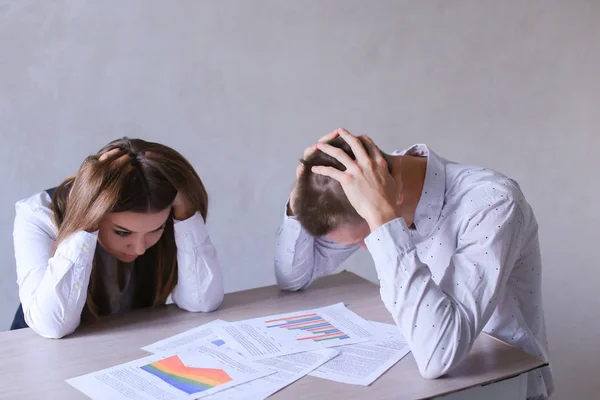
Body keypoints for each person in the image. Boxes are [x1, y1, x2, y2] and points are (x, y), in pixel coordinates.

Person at [274, 128, 553, 400]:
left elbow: (439, 355)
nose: (368, 247)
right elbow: (293, 278)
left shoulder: (492, 204)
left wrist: (384, 222)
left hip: (503, 385)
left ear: (395, 198)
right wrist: (296, 203)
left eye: (368, 238)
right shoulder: (364, 185)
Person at [11, 138, 224, 339]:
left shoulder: (172, 213)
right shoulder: (37, 214)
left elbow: (201, 302)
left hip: (119, 353)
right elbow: (51, 326)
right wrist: (84, 219)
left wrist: (186, 216)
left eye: (155, 229)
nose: (140, 249)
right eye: (122, 232)